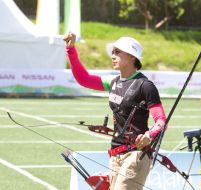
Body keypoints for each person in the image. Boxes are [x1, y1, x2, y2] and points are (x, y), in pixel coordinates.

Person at [63, 33, 167, 190]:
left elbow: (161, 121)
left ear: (132, 57)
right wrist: (71, 49)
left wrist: (149, 135)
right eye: (113, 52)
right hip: (115, 155)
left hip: (136, 155)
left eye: (118, 52)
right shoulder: (113, 82)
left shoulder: (145, 85)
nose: (113, 55)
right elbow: (83, 79)